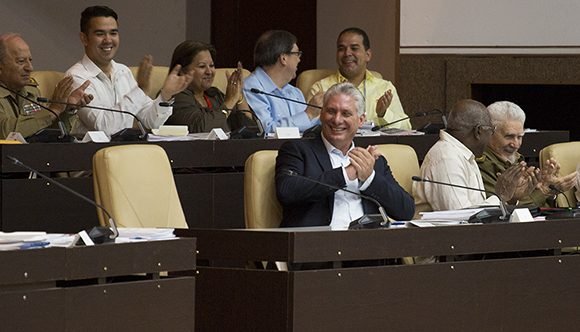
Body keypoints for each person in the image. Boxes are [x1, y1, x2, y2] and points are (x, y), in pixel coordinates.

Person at [275, 82, 414, 228]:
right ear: (321, 114)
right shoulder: (297, 150)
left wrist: (369, 178)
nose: (337, 120)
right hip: (317, 245)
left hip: (369, 244)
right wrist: (345, 174)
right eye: (331, 111)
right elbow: (286, 191)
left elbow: (406, 211)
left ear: (361, 120)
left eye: (346, 113)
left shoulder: (371, 161)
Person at [66, 5, 193, 136]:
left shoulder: (123, 71)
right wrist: (140, 90)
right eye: (100, 34)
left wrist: (165, 96)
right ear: (84, 38)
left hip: (129, 150)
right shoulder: (76, 76)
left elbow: (150, 122)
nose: (108, 40)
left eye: (113, 33)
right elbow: (106, 129)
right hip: (94, 153)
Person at [413, 99, 536, 211]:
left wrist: (511, 198)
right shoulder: (447, 158)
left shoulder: (463, 154)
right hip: (441, 235)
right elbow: (460, 218)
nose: (490, 138)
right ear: (478, 131)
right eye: (491, 131)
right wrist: (500, 197)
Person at [306, 27, 410, 130]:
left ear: (368, 55)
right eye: (341, 49)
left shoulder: (384, 88)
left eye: (354, 48)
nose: (347, 53)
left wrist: (383, 114)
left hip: (376, 146)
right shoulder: (321, 88)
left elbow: (406, 127)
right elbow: (308, 128)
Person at [478, 101, 577, 207]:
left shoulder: (517, 159)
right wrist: (543, 192)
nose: (516, 144)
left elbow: (540, 209)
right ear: (489, 133)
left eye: (519, 137)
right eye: (509, 136)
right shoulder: (482, 165)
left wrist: (550, 189)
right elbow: (502, 210)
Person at [0, 33, 91, 139]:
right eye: (21, 61)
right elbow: (5, 131)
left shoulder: (31, 91)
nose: (30, 68)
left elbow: (47, 132)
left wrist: (65, 109)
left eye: (30, 60)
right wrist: (53, 110)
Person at [164, 40, 254, 133]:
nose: (209, 72)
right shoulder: (174, 97)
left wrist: (238, 96)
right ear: (183, 71)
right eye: (202, 66)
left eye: (211, 65)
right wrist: (230, 101)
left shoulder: (214, 95)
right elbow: (203, 129)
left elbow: (249, 129)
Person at [243, 30, 321, 134]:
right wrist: (308, 114)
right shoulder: (252, 88)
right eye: (297, 54)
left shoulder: (295, 92)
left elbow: (311, 128)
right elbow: (267, 131)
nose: (299, 60)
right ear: (283, 58)